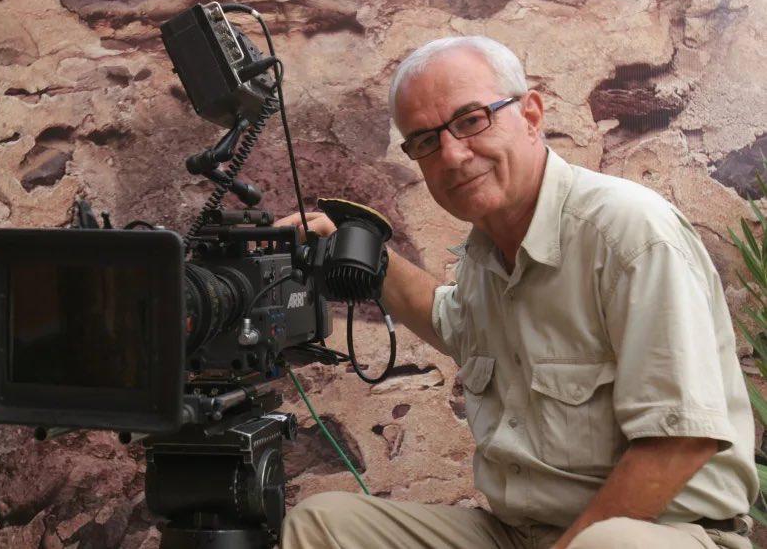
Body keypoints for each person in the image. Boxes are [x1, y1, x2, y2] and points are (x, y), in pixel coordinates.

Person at [275, 36, 759, 549]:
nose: (453, 155)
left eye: (471, 120)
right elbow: (449, 321)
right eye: (425, 141)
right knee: (323, 525)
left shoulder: (629, 234)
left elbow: (681, 441)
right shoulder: (488, 251)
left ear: (530, 114)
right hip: (519, 535)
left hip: (658, 532)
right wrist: (359, 250)